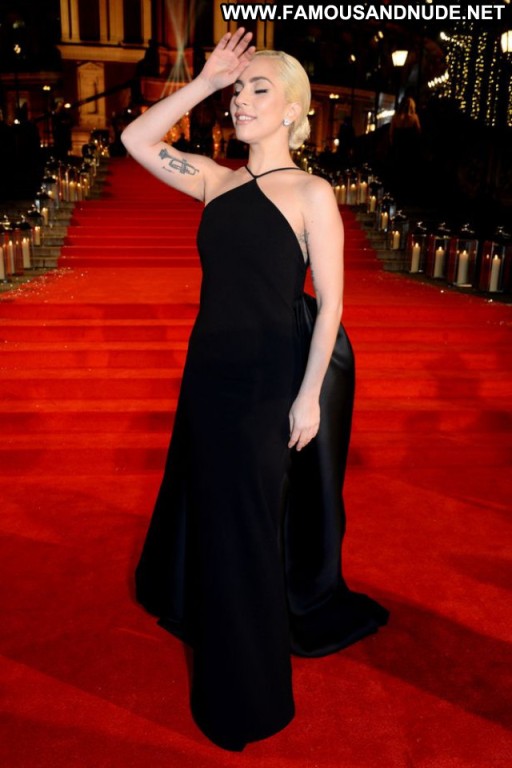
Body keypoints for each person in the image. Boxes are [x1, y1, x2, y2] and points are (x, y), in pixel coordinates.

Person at [122, 28, 388, 752]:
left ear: (294, 109)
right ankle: (221, 664)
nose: (241, 100)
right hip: (207, 379)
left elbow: (330, 305)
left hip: (269, 386)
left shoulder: (312, 192)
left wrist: (309, 396)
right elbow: (137, 139)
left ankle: (250, 697)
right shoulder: (216, 181)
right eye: (238, 90)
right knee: (215, 522)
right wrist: (204, 81)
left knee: (246, 530)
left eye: (257, 88)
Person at [389, 96, 422, 201]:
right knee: (408, 171)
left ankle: (396, 193)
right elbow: (419, 132)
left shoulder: (396, 117)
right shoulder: (414, 117)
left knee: (397, 170)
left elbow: (391, 134)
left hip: (398, 147)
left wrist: (393, 145)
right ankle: (406, 195)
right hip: (409, 148)